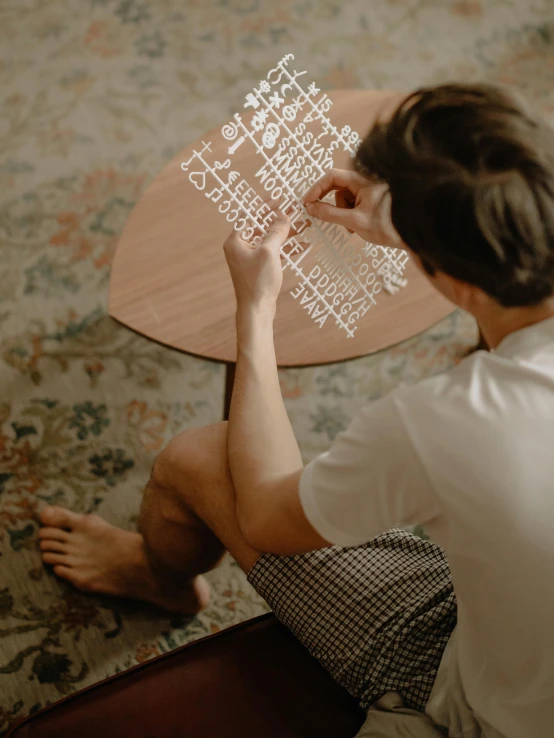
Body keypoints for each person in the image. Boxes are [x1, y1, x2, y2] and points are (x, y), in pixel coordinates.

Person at [38, 83, 554, 738]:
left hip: (492, 708)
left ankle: (161, 579)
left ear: (455, 280)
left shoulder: (441, 422)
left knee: (197, 458)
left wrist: (253, 313)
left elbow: (265, 514)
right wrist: (415, 227)